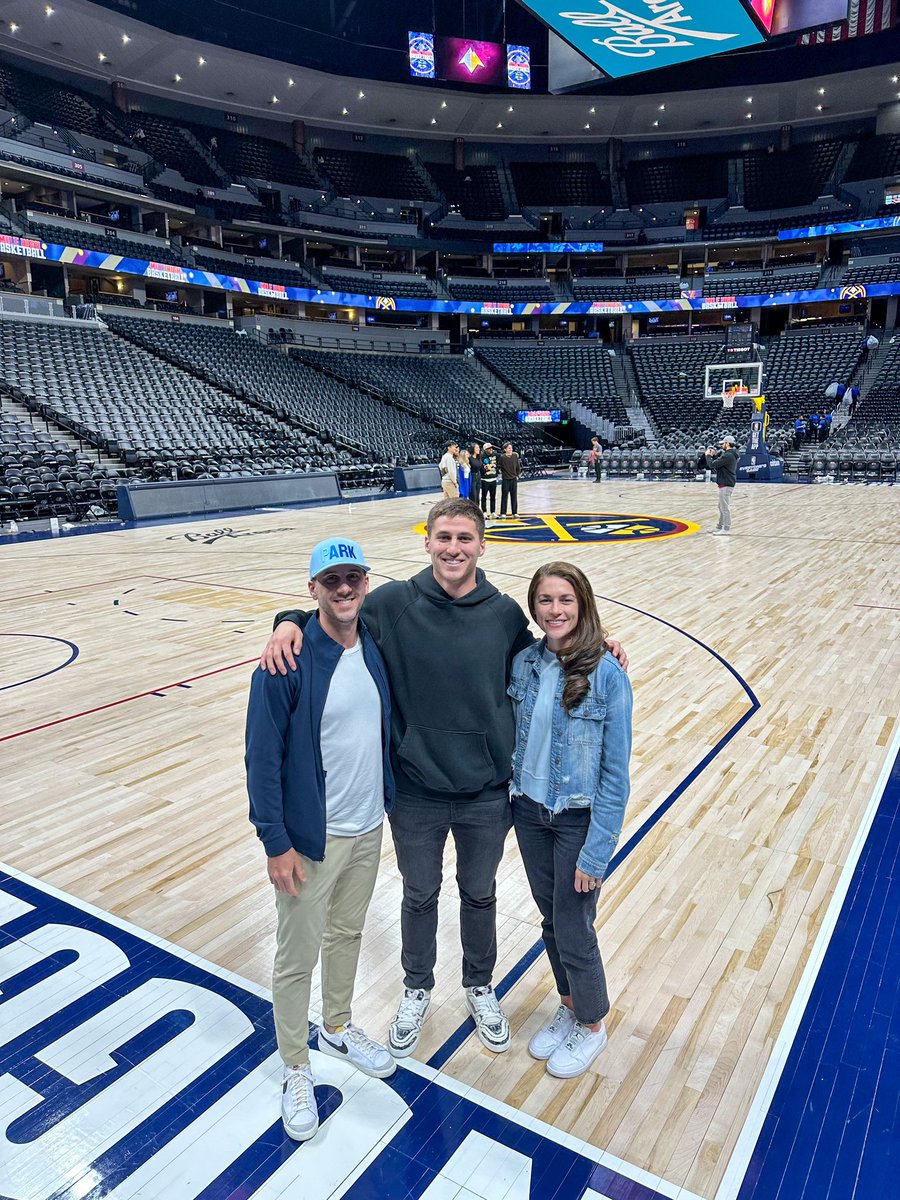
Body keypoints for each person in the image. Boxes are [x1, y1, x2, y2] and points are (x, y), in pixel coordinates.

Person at [258, 499, 629, 1061]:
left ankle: (480, 986)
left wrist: (603, 647)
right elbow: (334, 611)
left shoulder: (505, 614)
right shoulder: (393, 602)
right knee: (419, 894)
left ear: (482, 546)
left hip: (485, 794)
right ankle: (417, 987)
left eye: (464, 538)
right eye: (443, 537)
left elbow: (552, 645)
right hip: (416, 794)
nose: (453, 548)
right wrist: (287, 621)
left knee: (480, 895)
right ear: (426, 542)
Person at [245, 536, 396, 1143]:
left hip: (368, 828)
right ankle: (295, 1066)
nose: (343, 589)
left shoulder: (375, 645)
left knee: (348, 933)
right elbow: (261, 758)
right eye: (330, 580)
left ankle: (337, 1025)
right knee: (295, 957)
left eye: (352, 578)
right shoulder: (285, 663)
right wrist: (275, 841)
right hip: (311, 840)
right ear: (312, 590)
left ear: (365, 583)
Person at [509, 562, 632, 1078]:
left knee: (575, 927)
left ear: (582, 604)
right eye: (544, 600)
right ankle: (569, 1004)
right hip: (530, 812)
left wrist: (597, 850)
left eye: (565, 600)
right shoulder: (524, 665)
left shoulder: (607, 674)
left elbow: (615, 774)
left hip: (577, 820)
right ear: (533, 607)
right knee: (551, 921)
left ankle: (592, 1025)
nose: (555, 610)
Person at [705, 435, 739, 535]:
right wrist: (714, 456)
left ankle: (726, 528)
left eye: (723, 443)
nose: (721, 445)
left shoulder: (728, 455)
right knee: (721, 507)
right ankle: (719, 527)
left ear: (727, 443)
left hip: (726, 484)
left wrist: (708, 456)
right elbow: (719, 464)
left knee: (724, 508)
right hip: (725, 483)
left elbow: (712, 465)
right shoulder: (729, 455)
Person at [499, 441, 521, 519]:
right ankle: (503, 513)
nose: (510, 449)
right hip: (506, 480)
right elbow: (500, 467)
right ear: (505, 449)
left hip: (513, 479)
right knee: (504, 497)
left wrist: (517, 475)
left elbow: (518, 467)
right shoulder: (502, 457)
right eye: (509, 448)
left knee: (514, 496)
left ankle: (514, 512)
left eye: (511, 448)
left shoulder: (515, 455)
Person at [481, 443, 498, 518]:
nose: (491, 449)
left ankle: (493, 512)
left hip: (493, 478)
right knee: (484, 496)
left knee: (493, 496)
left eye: (491, 448)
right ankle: (484, 512)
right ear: (485, 450)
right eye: (489, 448)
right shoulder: (482, 456)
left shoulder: (495, 455)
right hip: (485, 479)